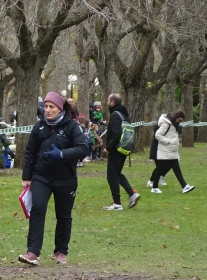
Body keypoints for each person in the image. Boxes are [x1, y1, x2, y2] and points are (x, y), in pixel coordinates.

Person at [18, 92, 89, 266]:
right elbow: (30, 152)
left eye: (51, 107)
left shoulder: (72, 127)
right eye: (45, 106)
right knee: (38, 209)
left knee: (64, 215)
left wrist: (62, 154)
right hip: (41, 176)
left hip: (66, 179)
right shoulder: (39, 126)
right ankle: (33, 252)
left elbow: (83, 148)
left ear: (60, 109)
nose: (47, 110)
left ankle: (61, 251)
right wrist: (27, 176)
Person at [103, 93, 140, 210]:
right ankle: (132, 193)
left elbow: (117, 133)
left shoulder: (114, 115)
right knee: (117, 173)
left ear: (112, 102)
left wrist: (108, 147)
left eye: (108, 101)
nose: (107, 103)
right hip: (125, 148)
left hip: (116, 149)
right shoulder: (125, 115)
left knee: (111, 176)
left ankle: (117, 203)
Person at [148, 111, 194, 194]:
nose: (179, 122)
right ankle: (154, 187)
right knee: (160, 168)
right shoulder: (167, 124)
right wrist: (168, 141)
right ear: (176, 117)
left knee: (175, 168)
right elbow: (157, 135)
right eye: (179, 120)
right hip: (166, 150)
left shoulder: (173, 124)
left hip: (171, 150)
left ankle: (184, 186)